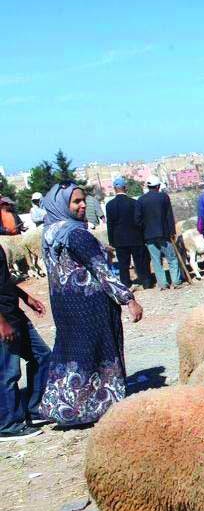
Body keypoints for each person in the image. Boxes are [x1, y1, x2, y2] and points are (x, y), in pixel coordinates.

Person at [36, 182, 143, 427]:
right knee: (100, 353)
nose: (83, 205)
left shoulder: (51, 232)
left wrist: (98, 247)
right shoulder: (76, 233)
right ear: (62, 204)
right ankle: (102, 407)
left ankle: (64, 407)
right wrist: (129, 299)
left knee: (71, 354)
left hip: (65, 308)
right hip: (91, 306)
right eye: (76, 202)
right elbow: (102, 272)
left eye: (83, 200)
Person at [0, 239, 49, 440]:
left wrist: (26, 298)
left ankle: (33, 408)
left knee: (42, 355)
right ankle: (8, 424)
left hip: (14, 313)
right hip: (4, 319)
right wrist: (1, 323)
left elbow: (3, 279)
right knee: (8, 373)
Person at [105, 177, 151, 289]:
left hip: (119, 239)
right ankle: (146, 282)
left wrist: (111, 242)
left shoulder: (110, 205)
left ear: (115, 189)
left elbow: (110, 225)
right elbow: (139, 221)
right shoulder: (134, 203)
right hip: (136, 237)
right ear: (125, 188)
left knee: (123, 264)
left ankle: (126, 283)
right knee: (140, 261)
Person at [137, 176, 181, 290]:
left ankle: (162, 284)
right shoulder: (163, 197)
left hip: (149, 236)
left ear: (148, 186)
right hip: (164, 234)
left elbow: (137, 220)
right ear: (158, 186)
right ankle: (176, 281)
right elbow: (169, 216)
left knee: (156, 261)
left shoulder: (141, 200)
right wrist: (172, 231)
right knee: (171, 258)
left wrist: (145, 230)